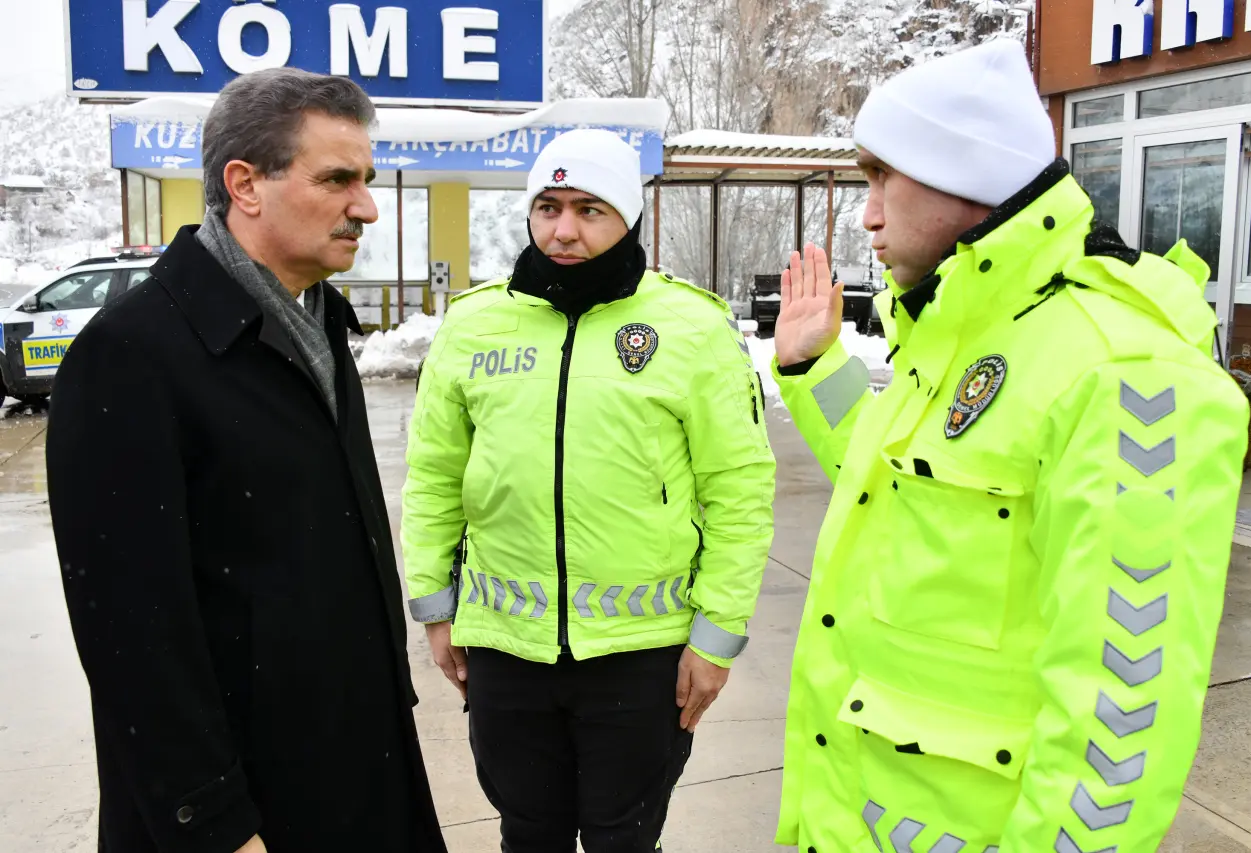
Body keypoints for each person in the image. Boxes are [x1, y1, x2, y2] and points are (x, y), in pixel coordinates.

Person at [771, 40, 1248, 853]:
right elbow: (906, 489)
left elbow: (1121, 716)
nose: (867, 214)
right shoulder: (960, 326)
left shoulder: (1121, 367)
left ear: (967, 175)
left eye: (883, 177)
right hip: (862, 816)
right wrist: (813, 368)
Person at [46, 68, 447, 853]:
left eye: (364, 179)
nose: (366, 206)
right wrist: (213, 821)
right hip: (247, 809)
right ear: (245, 185)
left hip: (359, 764)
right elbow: (133, 638)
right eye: (337, 179)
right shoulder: (131, 355)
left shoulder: (321, 322)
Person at [401, 128, 776, 852]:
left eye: (589, 208)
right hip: (507, 653)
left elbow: (740, 490)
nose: (563, 229)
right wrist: (435, 609)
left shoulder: (692, 328)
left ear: (629, 215)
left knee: (622, 839)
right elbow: (435, 477)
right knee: (528, 834)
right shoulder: (474, 326)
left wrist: (716, 638)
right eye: (547, 206)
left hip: (643, 657)